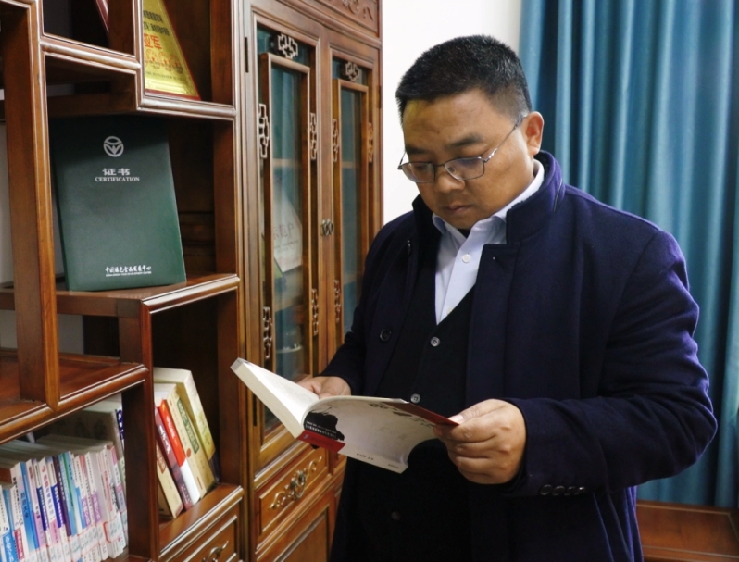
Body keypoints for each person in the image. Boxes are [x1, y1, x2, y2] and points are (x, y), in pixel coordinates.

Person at [298, 35, 717, 562]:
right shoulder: (397, 241)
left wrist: (536, 439)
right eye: (422, 165)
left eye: (468, 159)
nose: (445, 186)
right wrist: (341, 379)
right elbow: (366, 344)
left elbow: (679, 419)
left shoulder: (628, 253)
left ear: (531, 133)